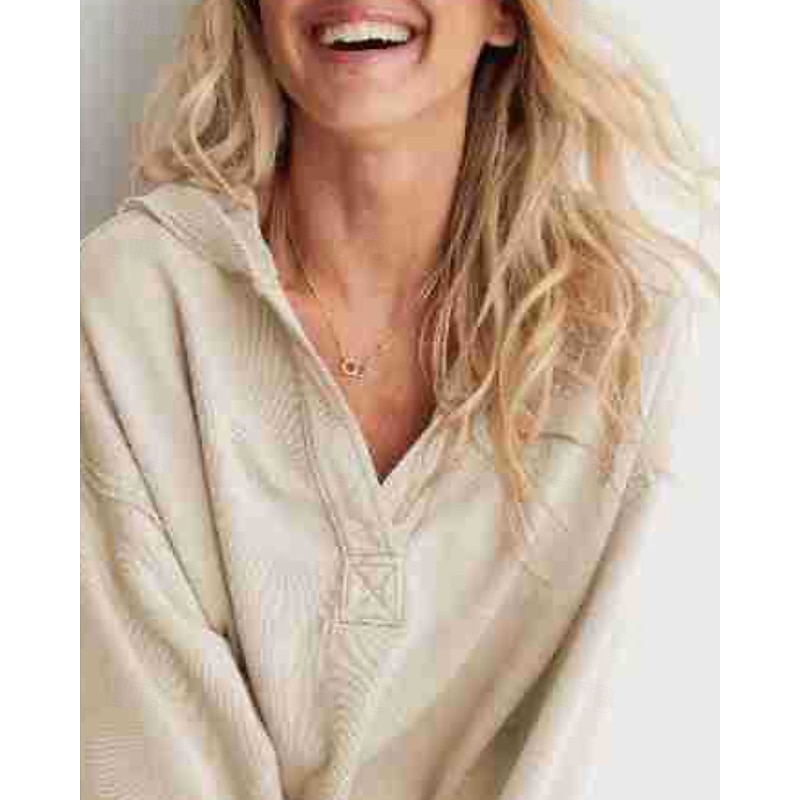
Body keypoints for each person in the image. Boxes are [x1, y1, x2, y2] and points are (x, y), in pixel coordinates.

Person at [80, 1, 717, 798]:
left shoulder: (629, 347)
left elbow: (614, 746)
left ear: (503, 14)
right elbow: (132, 749)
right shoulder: (118, 315)